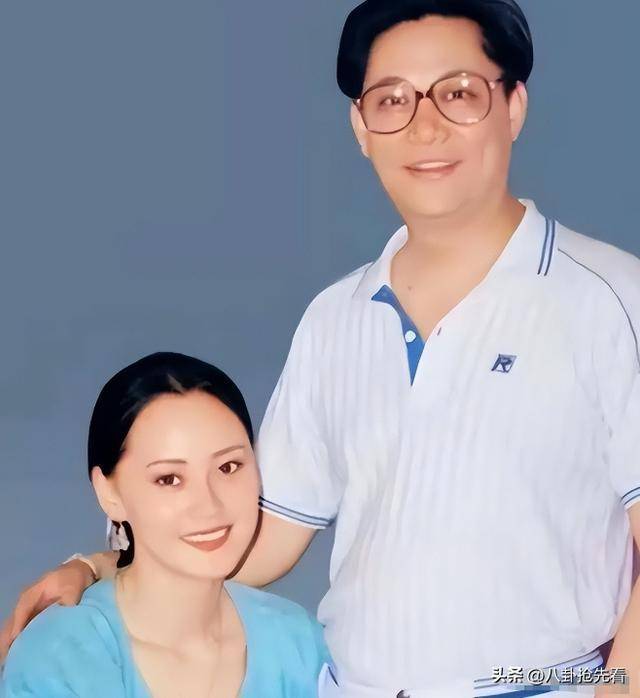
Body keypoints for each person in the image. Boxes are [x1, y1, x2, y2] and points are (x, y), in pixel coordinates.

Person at [3, 0, 640, 695]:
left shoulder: (609, 299)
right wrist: (102, 566)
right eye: (392, 100)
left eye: (459, 93)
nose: (425, 125)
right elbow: (252, 536)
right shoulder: (337, 318)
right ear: (361, 127)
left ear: (514, 106)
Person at [1, 352, 330, 697]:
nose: (209, 505)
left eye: (228, 467)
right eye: (169, 479)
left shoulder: (300, 646)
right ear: (109, 493)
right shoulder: (60, 659)